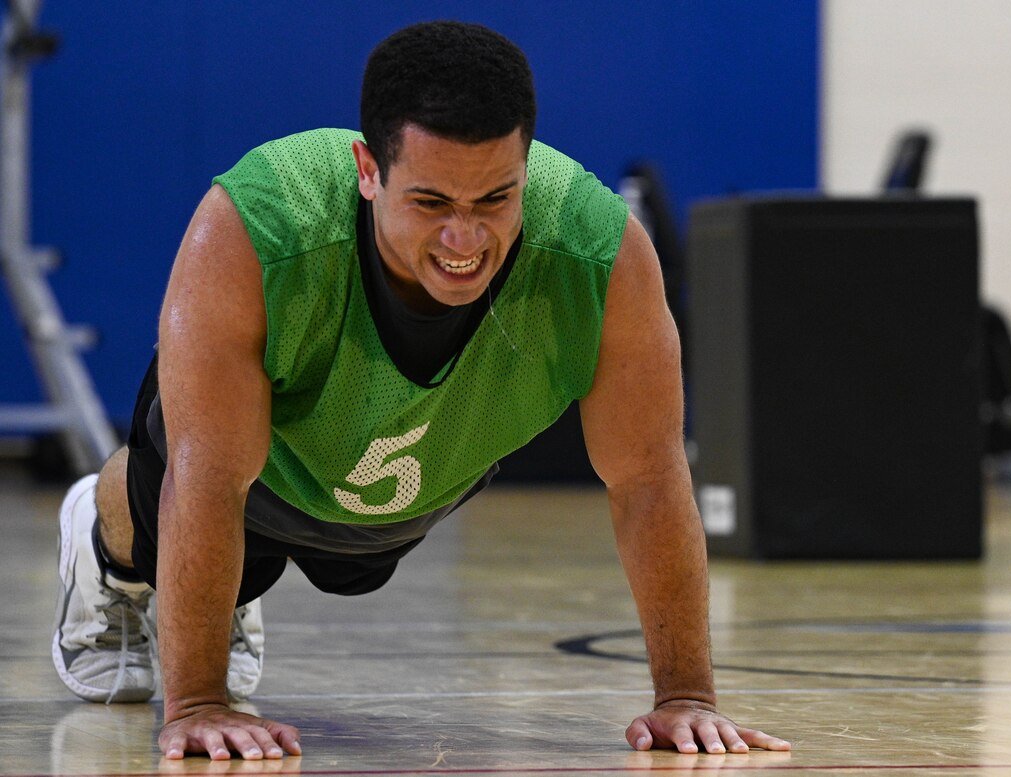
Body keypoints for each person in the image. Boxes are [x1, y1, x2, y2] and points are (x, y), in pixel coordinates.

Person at [50, 20, 792, 761]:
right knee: (159, 517)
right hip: (246, 466)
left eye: (495, 199)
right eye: (432, 203)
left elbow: (649, 478)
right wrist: (199, 701)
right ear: (368, 170)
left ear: (526, 168)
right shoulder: (257, 225)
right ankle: (113, 552)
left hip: (400, 488)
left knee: (344, 565)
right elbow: (206, 479)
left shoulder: (600, 253)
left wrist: (685, 696)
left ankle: (224, 595)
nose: (464, 240)